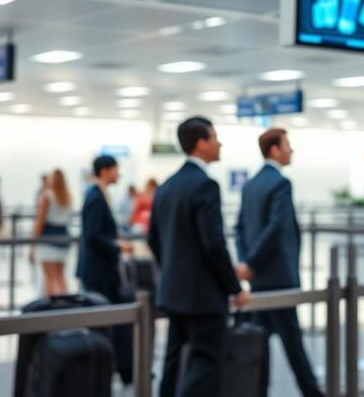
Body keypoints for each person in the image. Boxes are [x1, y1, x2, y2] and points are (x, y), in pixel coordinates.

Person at [148, 116, 250, 397]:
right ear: (201, 143)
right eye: (215, 138)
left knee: (173, 359)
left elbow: (153, 238)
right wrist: (234, 287)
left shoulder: (166, 186)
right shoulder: (205, 185)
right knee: (204, 361)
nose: (220, 144)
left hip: (173, 292)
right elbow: (213, 244)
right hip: (203, 296)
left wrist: (173, 268)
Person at [235, 128, 322, 397]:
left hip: (258, 277)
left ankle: (256, 391)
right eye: (287, 145)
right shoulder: (281, 183)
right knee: (292, 340)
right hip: (278, 276)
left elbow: (239, 228)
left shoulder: (250, 184)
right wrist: (253, 262)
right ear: (274, 149)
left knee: (259, 339)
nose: (291, 150)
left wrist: (247, 263)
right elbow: (274, 228)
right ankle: (312, 393)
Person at [77, 155, 134, 384]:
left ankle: (120, 369)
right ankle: (104, 372)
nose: (118, 174)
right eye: (115, 170)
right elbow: (93, 235)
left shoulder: (99, 195)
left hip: (103, 270)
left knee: (112, 321)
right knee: (102, 323)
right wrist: (116, 245)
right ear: (104, 171)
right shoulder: (95, 197)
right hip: (98, 272)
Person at [30, 169, 72, 296]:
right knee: (60, 277)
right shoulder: (67, 196)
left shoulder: (47, 195)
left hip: (48, 238)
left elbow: (40, 222)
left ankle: (51, 310)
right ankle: (65, 307)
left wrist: (32, 245)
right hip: (64, 237)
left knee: (49, 278)